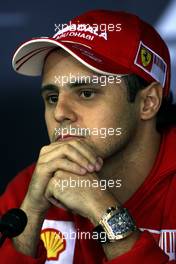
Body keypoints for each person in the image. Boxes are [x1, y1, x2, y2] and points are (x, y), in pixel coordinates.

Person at [0, 9, 176, 263]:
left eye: (86, 93)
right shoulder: (27, 190)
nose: (59, 113)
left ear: (148, 102)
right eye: (51, 97)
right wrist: (31, 215)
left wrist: (104, 212)